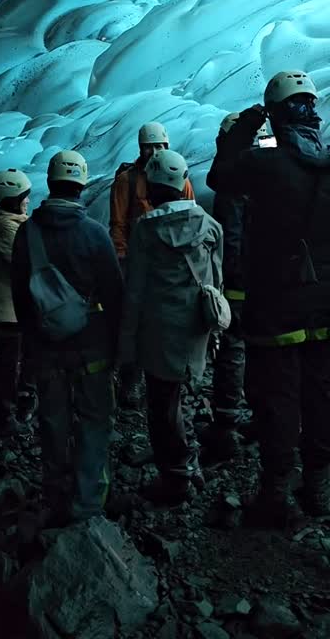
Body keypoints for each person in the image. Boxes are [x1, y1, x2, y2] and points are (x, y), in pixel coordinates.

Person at [207, 71, 330, 527]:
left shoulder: (265, 164)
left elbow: (220, 176)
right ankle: (318, 485)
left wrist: (242, 129)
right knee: (322, 395)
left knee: (278, 398)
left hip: (277, 306)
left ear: (274, 113)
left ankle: (276, 493)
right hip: (325, 307)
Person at [12, 149, 123, 527]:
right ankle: (87, 502)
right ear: (81, 184)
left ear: (50, 181)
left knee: (53, 421)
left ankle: (56, 497)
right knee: (93, 421)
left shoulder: (28, 233)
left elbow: (19, 295)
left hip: (45, 348)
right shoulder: (93, 232)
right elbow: (114, 293)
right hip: (91, 346)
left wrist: (32, 343)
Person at [119, 149, 223, 504]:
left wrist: (127, 344)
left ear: (151, 185)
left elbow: (134, 292)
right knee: (184, 396)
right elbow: (217, 280)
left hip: (159, 332)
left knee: (162, 406)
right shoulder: (210, 226)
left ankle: (176, 477)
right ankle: (190, 463)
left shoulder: (145, 230)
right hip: (197, 328)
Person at [109, 121, 195, 408]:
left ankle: (168, 379)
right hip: (139, 261)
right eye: (151, 146)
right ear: (141, 148)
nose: (155, 151)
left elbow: (189, 216)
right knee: (134, 321)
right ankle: (131, 381)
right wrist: (122, 258)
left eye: (160, 146)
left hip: (170, 261)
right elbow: (119, 223)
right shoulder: (128, 181)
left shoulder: (178, 176)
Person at [205, 115, 270, 460]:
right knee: (265, 353)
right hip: (268, 282)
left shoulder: (234, 183)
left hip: (240, 283)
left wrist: (229, 283)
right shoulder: (272, 176)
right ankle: (263, 420)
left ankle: (227, 426)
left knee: (233, 351)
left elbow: (231, 238)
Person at [0, 168, 37, 433]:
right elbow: (24, 264)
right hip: (8, 308)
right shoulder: (7, 228)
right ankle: (5, 416)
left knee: (21, 354)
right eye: (25, 196)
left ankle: (19, 402)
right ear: (13, 197)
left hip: (12, 305)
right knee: (8, 360)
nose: (28, 200)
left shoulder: (10, 223)